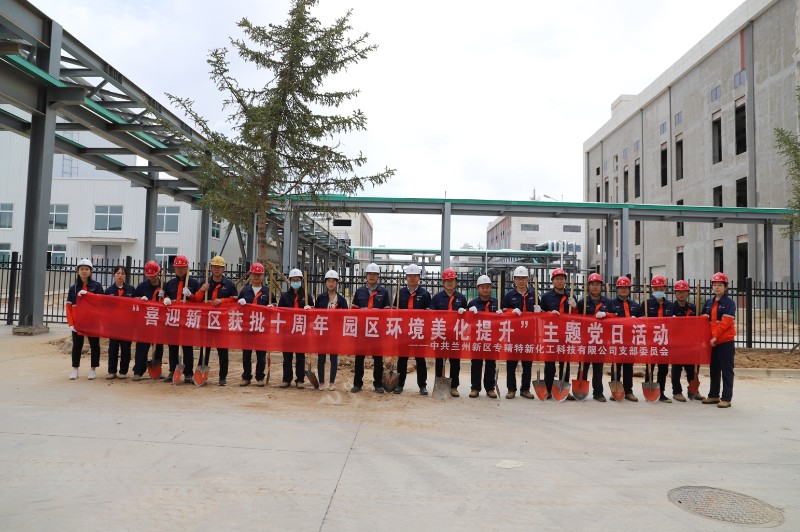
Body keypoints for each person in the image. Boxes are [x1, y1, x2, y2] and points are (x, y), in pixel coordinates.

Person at [196, 255, 238, 386]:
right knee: (204, 349)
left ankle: (222, 377)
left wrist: (222, 301)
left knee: (223, 351)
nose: (216, 269)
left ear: (223, 269)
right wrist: (202, 291)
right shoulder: (204, 283)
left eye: (219, 267)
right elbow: (196, 300)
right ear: (211, 268)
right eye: (214, 267)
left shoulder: (229, 285)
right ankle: (201, 374)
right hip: (207, 322)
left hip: (222, 323)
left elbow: (235, 300)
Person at [500, 265, 539, 399]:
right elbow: (503, 311)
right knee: (511, 363)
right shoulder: (509, 296)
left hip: (529, 334)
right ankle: (511, 389)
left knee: (527, 364)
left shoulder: (534, 295)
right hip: (513, 334)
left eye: (523, 278)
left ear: (528, 279)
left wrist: (539, 311)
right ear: (514, 280)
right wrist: (511, 311)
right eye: (518, 278)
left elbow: (542, 312)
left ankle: (525, 389)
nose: (521, 281)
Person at [350, 263, 390, 393]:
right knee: (359, 358)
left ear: (378, 276)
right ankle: (357, 383)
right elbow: (353, 311)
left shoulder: (384, 292)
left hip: (377, 331)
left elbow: (387, 312)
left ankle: (378, 384)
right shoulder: (359, 291)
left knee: (378, 358)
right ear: (366, 276)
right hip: (362, 330)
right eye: (369, 274)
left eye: (374, 274)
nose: (371, 276)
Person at [428, 268, 468, 397]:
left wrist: (465, 312)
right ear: (443, 282)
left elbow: (467, 317)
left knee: (455, 362)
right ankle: (439, 383)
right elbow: (431, 314)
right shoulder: (437, 298)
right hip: (440, 334)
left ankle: (454, 386)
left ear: (456, 282)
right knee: (439, 361)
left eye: (452, 280)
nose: (450, 283)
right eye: (447, 280)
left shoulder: (461, 298)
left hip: (455, 335)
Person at [701, 272, 737, 408]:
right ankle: (713, 395)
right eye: (714, 285)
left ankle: (726, 398)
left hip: (725, 341)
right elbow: (705, 319)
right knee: (714, 369)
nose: (717, 287)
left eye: (720, 285)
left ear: (725, 287)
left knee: (726, 370)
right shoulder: (709, 302)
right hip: (712, 342)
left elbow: (725, 323)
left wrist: (715, 337)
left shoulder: (729, 303)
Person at [540, 268, 578, 399]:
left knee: (565, 363)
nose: (559, 281)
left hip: (566, 334)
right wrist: (548, 314)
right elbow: (541, 315)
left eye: (562, 279)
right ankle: (548, 389)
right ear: (552, 281)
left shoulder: (571, 296)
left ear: (565, 281)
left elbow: (576, 317)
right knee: (549, 364)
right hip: (551, 334)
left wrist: (574, 307)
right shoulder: (546, 297)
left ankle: (563, 390)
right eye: (557, 279)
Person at [575, 272, 613, 401]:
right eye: (592, 284)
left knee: (598, 368)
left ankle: (598, 393)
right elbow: (574, 318)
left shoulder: (608, 302)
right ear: (588, 286)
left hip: (600, 340)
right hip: (585, 340)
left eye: (597, 284)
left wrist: (607, 315)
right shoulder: (582, 302)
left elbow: (615, 317)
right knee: (583, 367)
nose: (595, 287)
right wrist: (574, 308)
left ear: (601, 286)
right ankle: (580, 389)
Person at [604, 276, 643, 401]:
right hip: (616, 340)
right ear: (617, 289)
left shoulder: (635, 305)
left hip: (630, 340)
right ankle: (615, 390)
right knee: (616, 365)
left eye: (626, 287)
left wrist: (638, 320)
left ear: (629, 289)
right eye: (621, 288)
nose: (624, 290)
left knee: (628, 366)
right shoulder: (610, 304)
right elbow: (605, 321)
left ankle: (628, 391)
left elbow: (643, 320)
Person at [395, 263, 431, 395]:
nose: (412, 278)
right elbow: (395, 310)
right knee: (402, 359)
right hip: (404, 331)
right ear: (406, 277)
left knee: (420, 359)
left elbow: (429, 314)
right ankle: (399, 385)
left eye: (414, 276)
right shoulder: (401, 293)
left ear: (419, 277)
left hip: (418, 331)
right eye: (409, 276)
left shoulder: (425, 294)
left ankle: (422, 386)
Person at [163, 255, 200, 384]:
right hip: (173, 319)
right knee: (172, 346)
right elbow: (165, 297)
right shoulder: (169, 284)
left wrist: (191, 295)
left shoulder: (194, 283)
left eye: (182, 267)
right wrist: (165, 298)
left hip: (187, 319)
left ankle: (188, 373)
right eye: (177, 268)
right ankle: (173, 370)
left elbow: (199, 300)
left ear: (187, 268)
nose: (179, 270)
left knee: (187, 347)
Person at [65, 259, 105, 380]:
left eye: (87, 269)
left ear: (90, 271)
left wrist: (88, 295)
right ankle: (75, 369)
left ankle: (93, 370)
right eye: (82, 269)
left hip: (93, 322)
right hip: (78, 322)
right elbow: (69, 306)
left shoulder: (97, 286)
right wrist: (71, 323)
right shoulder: (73, 288)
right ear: (77, 271)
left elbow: (102, 301)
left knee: (94, 345)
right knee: (77, 346)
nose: (84, 271)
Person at [237, 262, 274, 386]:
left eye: (259, 275)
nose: (256, 277)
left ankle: (260, 377)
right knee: (246, 354)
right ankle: (246, 377)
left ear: (263, 276)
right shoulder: (245, 290)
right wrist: (239, 303)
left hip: (262, 327)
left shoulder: (267, 291)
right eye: (254, 274)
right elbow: (236, 307)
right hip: (247, 327)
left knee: (261, 354)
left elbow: (275, 305)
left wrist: (272, 306)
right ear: (250, 275)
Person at [671, 279, 706, 402]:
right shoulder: (671, 308)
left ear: (688, 293)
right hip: (677, 344)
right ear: (675, 293)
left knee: (692, 369)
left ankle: (694, 390)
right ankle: (677, 392)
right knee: (676, 369)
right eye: (679, 292)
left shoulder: (693, 308)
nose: (681, 294)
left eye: (684, 292)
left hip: (691, 344)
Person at [314, 269, 348, 391]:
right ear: (325, 283)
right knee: (321, 357)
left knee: (334, 358)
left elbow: (346, 317)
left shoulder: (341, 300)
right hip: (322, 331)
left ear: (336, 283)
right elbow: (315, 314)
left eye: (333, 281)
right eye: (329, 281)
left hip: (335, 332)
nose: (331, 284)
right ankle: (321, 382)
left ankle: (332, 382)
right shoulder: (320, 298)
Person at [132, 260, 165, 380]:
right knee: (142, 347)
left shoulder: (164, 286)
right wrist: (141, 300)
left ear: (158, 273)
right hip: (145, 322)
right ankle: (138, 371)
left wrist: (165, 298)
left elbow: (170, 303)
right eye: (150, 275)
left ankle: (157, 369)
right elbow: (134, 302)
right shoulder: (142, 286)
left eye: (154, 275)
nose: (152, 277)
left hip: (159, 321)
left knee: (158, 347)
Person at [466, 274, 498, 398]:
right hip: (477, 338)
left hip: (492, 338)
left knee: (491, 363)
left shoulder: (497, 302)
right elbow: (467, 322)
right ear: (478, 289)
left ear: (491, 288)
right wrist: (469, 313)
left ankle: (490, 388)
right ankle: (475, 388)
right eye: (482, 287)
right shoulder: (472, 304)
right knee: (476, 363)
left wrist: (502, 313)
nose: (485, 289)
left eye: (487, 287)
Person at [643, 275, 674, 403]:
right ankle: (649, 390)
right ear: (652, 290)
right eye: (656, 289)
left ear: (665, 289)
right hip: (651, 341)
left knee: (663, 369)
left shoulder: (670, 305)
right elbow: (639, 321)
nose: (658, 291)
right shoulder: (646, 304)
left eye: (661, 288)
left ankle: (661, 393)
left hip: (664, 342)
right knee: (649, 367)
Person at [278, 268, 310, 389]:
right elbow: (279, 312)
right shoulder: (285, 296)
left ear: (301, 280)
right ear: (290, 281)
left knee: (300, 356)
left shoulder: (307, 296)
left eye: (298, 280)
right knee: (287, 356)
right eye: (293, 280)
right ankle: (286, 379)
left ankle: (300, 380)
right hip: (287, 331)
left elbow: (314, 313)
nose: (295, 282)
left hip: (301, 330)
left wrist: (310, 309)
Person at [104, 265, 135, 379]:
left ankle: (123, 372)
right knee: (113, 349)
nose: (120, 275)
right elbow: (104, 307)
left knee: (126, 349)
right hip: (114, 325)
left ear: (125, 275)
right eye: (118, 273)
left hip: (127, 325)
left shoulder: (131, 290)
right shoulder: (109, 291)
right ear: (114, 275)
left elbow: (136, 306)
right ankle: (112, 371)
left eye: (122, 273)